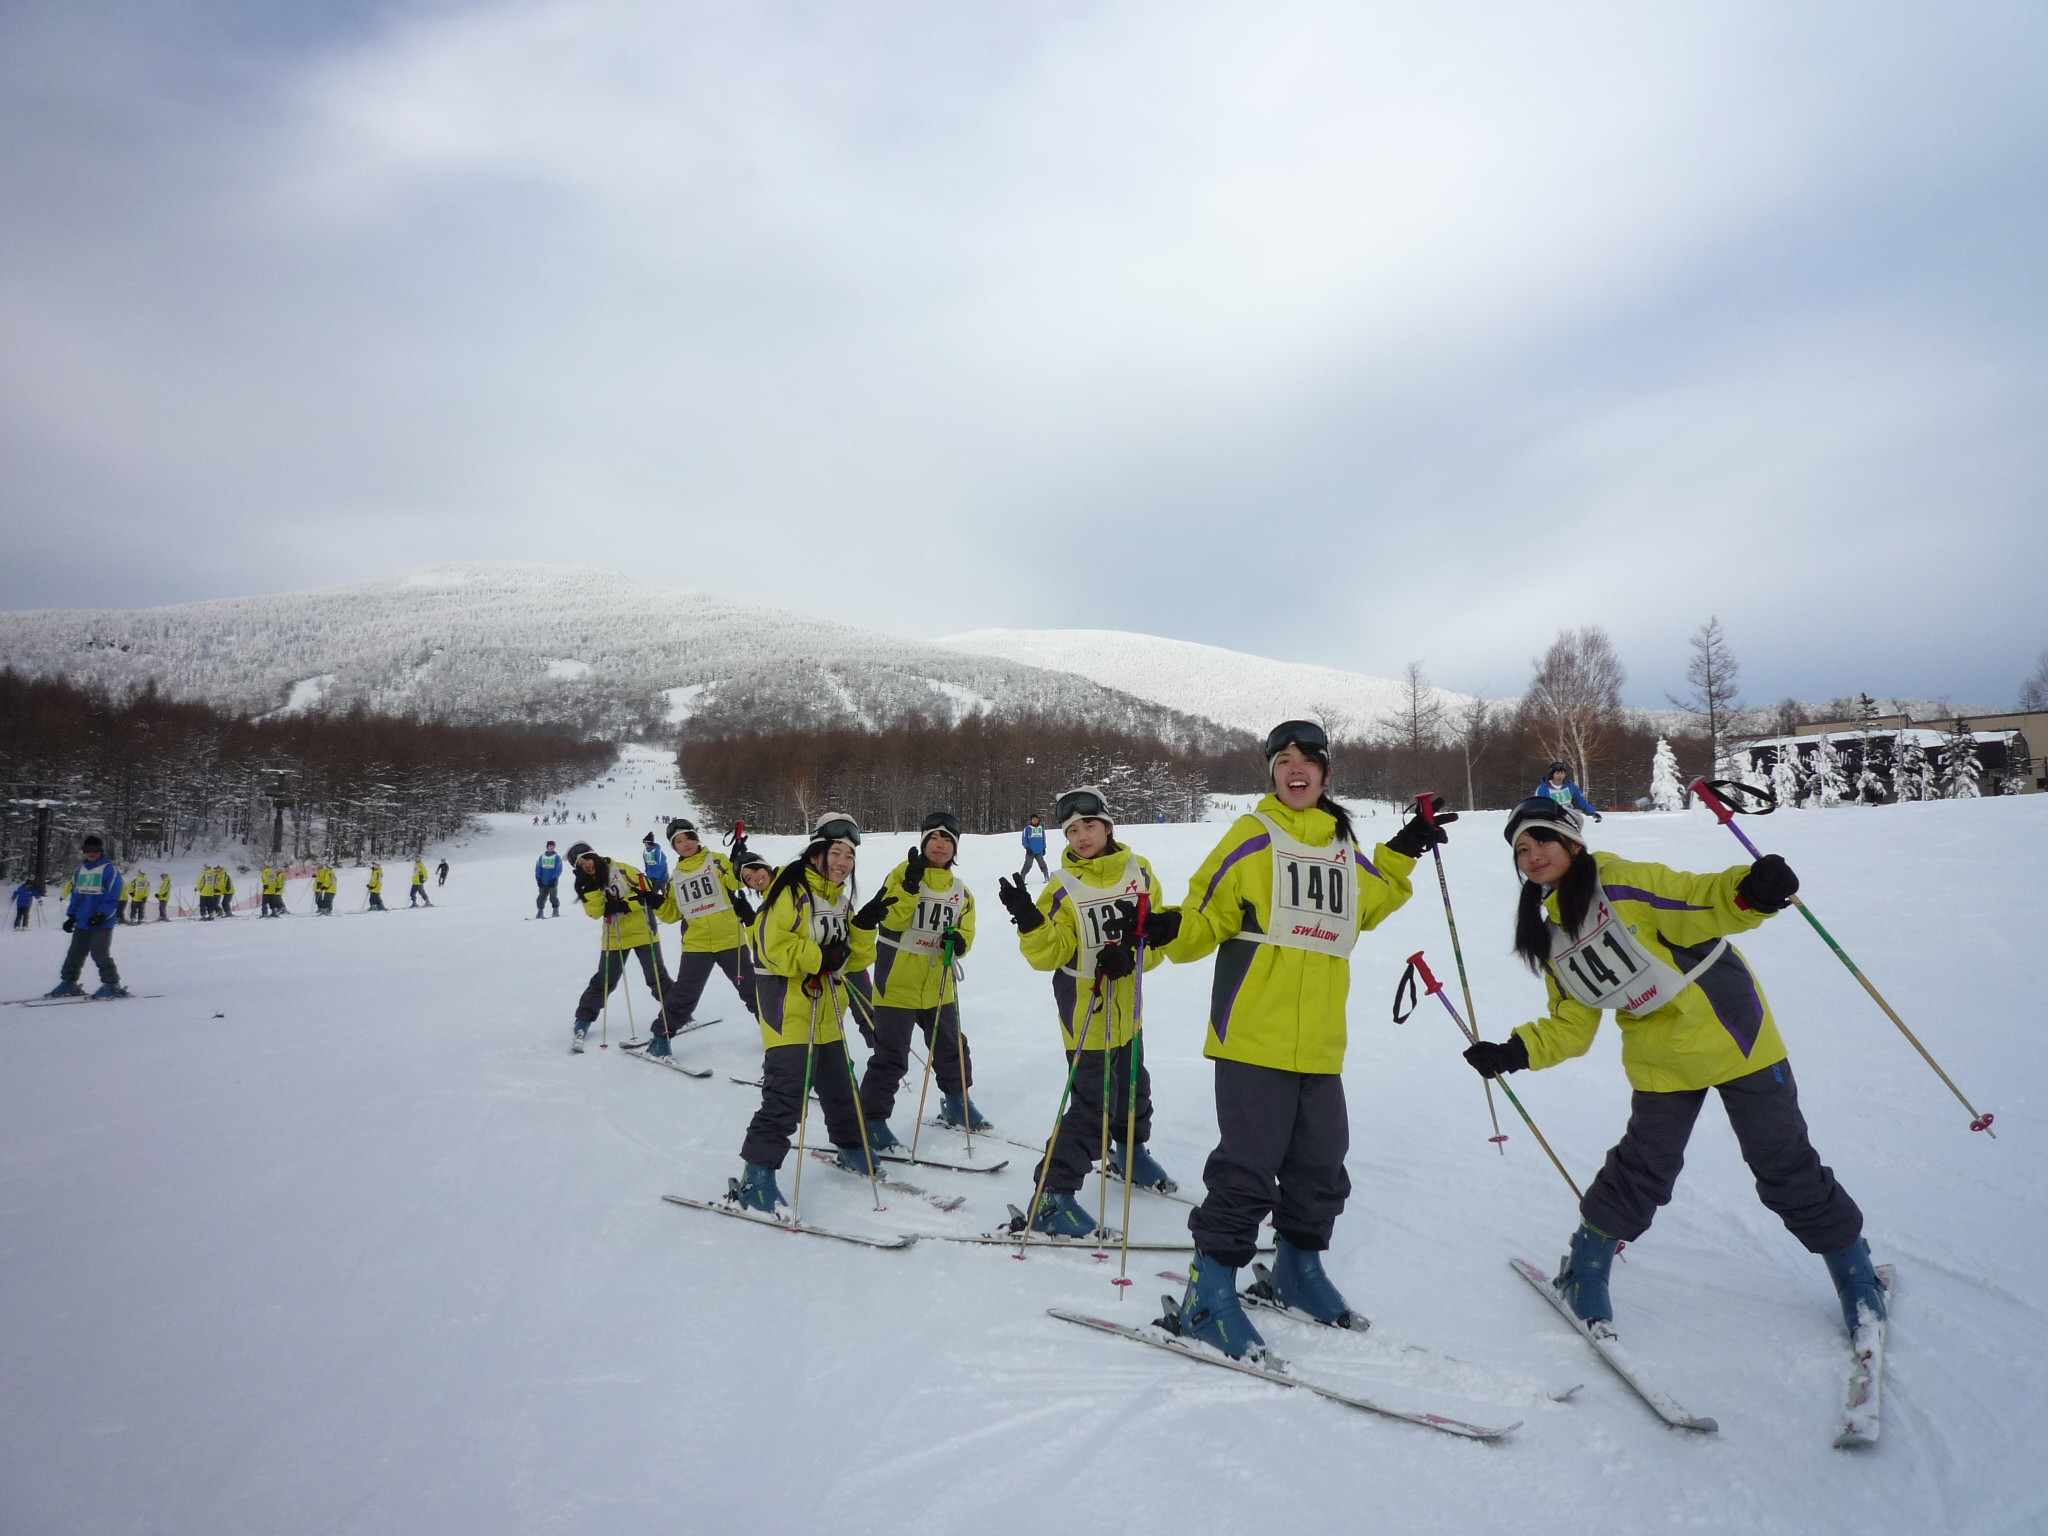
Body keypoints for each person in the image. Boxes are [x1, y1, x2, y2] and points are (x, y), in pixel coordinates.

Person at [1460, 797, 1886, 1338]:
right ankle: (1586, 1266)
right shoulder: (1552, 935)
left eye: (1541, 839)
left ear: (1572, 841)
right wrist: (1513, 1052)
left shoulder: (1623, 882)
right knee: (1643, 1166)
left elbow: (1701, 898)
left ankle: (1855, 1272)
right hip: (1659, 1054)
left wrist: (1750, 890)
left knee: (1782, 1160)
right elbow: (1572, 1021)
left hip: (1734, 1033)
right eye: (1520, 849)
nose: (1531, 855)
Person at [1156, 721, 1443, 1357]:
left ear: (1326, 774)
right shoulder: (1253, 836)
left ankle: (1294, 1271)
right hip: (1253, 1034)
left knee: (1320, 1167)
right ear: (1271, 772)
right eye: (1283, 759)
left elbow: (1370, 900)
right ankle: (1208, 1291)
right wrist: (1168, 927)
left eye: (1308, 759)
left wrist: (1406, 844)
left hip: (1320, 1042)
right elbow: (1205, 918)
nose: (1295, 768)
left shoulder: (1341, 843)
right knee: (1247, 1170)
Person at [995, 786, 1172, 1236]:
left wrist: (1134, 953)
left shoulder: (1140, 871)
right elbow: (1048, 955)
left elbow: (1156, 945)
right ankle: (1053, 1196)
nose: (1081, 836)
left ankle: (1130, 1153)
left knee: (1135, 1090)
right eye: (1071, 829)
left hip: (1129, 1011)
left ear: (1108, 825)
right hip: (1086, 1015)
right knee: (1095, 1105)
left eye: (1089, 825)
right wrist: (1031, 921)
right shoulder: (1060, 887)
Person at [729, 814, 880, 1212]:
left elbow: (851, 959)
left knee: (841, 1088)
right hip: (789, 1012)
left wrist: (862, 930)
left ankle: (851, 1146)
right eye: (836, 851)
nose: (843, 861)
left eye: (849, 854)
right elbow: (770, 947)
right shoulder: (789, 891)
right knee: (785, 1095)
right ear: (816, 852)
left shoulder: (839, 900)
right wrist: (819, 957)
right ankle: (756, 1175)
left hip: (829, 1011)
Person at [856, 811, 983, 1148]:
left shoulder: (960, 890)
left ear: (955, 849)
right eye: (933, 838)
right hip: (897, 981)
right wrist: (911, 886)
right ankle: (871, 1120)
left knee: (951, 1046)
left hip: (938, 985)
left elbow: (965, 929)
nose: (939, 845)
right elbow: (892, 920)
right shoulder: (900, 874)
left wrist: (959, 943)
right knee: (891, 1055)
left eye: (947, 840)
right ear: (923, 842)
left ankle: (957, 1103)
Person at [636, 819, 750, 1058]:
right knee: (684, 996)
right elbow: (672, 914)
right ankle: (660, 1038)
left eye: (688, 838)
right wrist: (655, 902)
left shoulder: (717, 860)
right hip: (697, 945)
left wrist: (740, 861)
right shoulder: (674, 878)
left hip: (731, 940)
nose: (685, 844)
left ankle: (780, 1040)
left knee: (753, 991)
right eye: (678, 841)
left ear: (696, 838)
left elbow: (736, 880)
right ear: (673, 847)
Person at [566, 841, 665, 1050]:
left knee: (656, 976)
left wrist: (626, 904)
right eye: (580, 863)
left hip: (643, 930)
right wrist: (591, 891)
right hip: (614, 935)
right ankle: (583, 1020)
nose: (587, 865)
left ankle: (678, 1013)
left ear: (595, 855)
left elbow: (647, 890)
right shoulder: (586, 882)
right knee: (605, 980)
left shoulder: (620, 869)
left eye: (587, 859)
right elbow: (594, 912)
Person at [45, 835, 128, 998]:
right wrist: (72, 916)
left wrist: (101, 915)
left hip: (101, 922)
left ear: (100, 851)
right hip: (83, 920)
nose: (91, 854)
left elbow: (112, 897)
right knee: (75, 953)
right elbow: (77, 895)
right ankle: (69, 982)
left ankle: (112, 984)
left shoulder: (109, 870)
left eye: (95, 850)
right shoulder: (80, 871)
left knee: (99, 953)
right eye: (88, 851)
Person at [1537, 761, 1603, 821]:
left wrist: (1592, 812)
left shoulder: (1570, 786)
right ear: (1552, 774)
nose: (1560, 776)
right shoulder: (1543, 788)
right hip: (1551, 817)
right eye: (1557, 773)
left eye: (1562, 773)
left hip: (1568, 816)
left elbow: (1580, 801)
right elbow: (1538, 804)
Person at [1018, 813, 1049, 884]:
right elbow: (1024, 839)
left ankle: (1046, 877)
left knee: (1042, 864)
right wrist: (1027, 848)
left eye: (1036, 819)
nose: (1035, 820)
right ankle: (1022, 879)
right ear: (1031, 820)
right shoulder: (1027, 829)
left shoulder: (1041, 828)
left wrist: (1044, 848)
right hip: (1030, 851)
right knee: (1028, 864)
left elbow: (1043, 838)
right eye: (1033, 819)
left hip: (1039, 851)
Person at [535, 841, 564, 918]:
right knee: (541, 897)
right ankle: (540, 913)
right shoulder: (542, 857)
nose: (551, 848)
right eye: (550, 846)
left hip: (552, 881)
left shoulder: (557, 857)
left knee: (553, 897)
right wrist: (538, 878)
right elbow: (538, 868)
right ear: (547, 847)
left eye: (552, 846)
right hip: (543, 881)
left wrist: (555, 878)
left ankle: (555, 911)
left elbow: (559, 869)